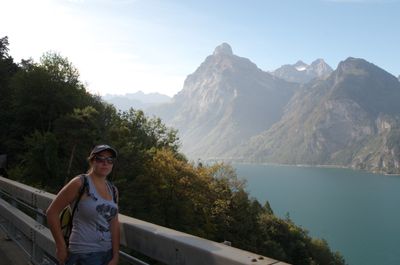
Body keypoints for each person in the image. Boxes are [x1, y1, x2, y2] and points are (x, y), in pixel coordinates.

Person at [46, 144, 120, 265]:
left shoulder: (113, 190)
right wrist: (61, 247)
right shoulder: (80, 183)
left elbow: (114, 223)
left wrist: (116, 255)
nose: (105, 163)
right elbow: (51, 213)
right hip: (83, 255)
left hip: (107, 254)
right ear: (91, 161)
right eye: (100, 159)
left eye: (109, 160)